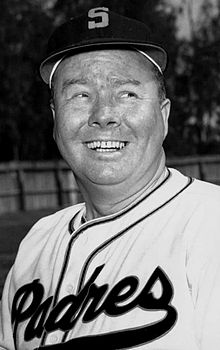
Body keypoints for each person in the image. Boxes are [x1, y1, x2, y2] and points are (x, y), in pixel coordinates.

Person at [1, 6, 220, 350]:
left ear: (163, 116)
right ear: (55, 119)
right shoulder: (35, 245)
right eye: (80, 95)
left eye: (127, 93)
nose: (103, 114)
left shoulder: (210, 226)